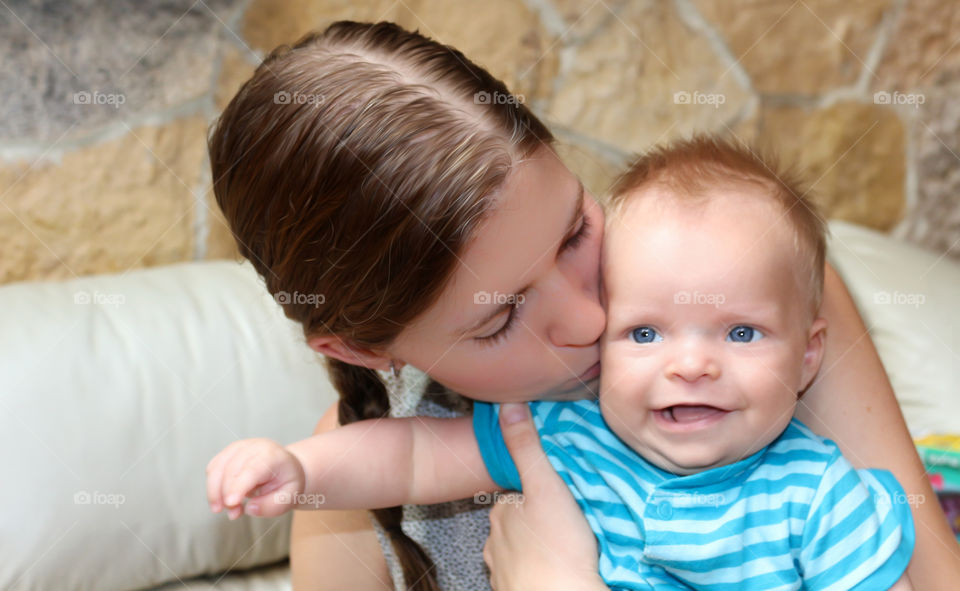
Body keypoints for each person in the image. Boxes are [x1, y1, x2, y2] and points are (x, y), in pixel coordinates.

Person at [206, 20, 959, 591]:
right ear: (364, 350)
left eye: (574, 232)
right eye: (500, 318)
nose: (592, 319)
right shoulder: (361, 484)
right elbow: (394, 460)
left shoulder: (737, 286)